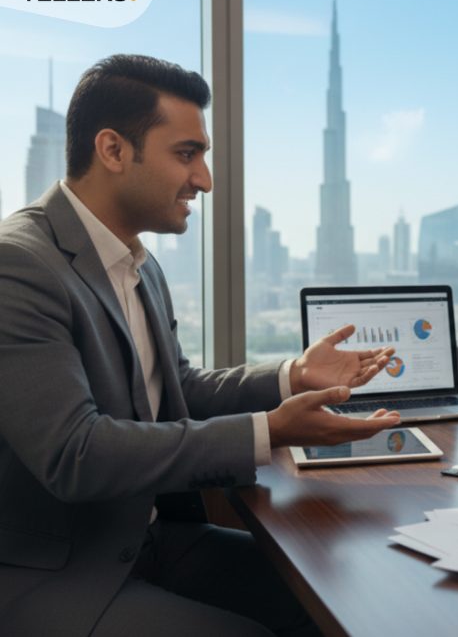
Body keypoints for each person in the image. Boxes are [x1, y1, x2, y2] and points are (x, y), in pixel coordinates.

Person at [0, 54, 402, 636]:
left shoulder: (138, 261)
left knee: (337, 597)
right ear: (112, 150)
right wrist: (273, 431)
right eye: (187, 154)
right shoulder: (20, 264)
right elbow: (75, 454)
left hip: (154, 540)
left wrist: (294, 375)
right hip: (61, 575)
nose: (205, 179)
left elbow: (177, 388)